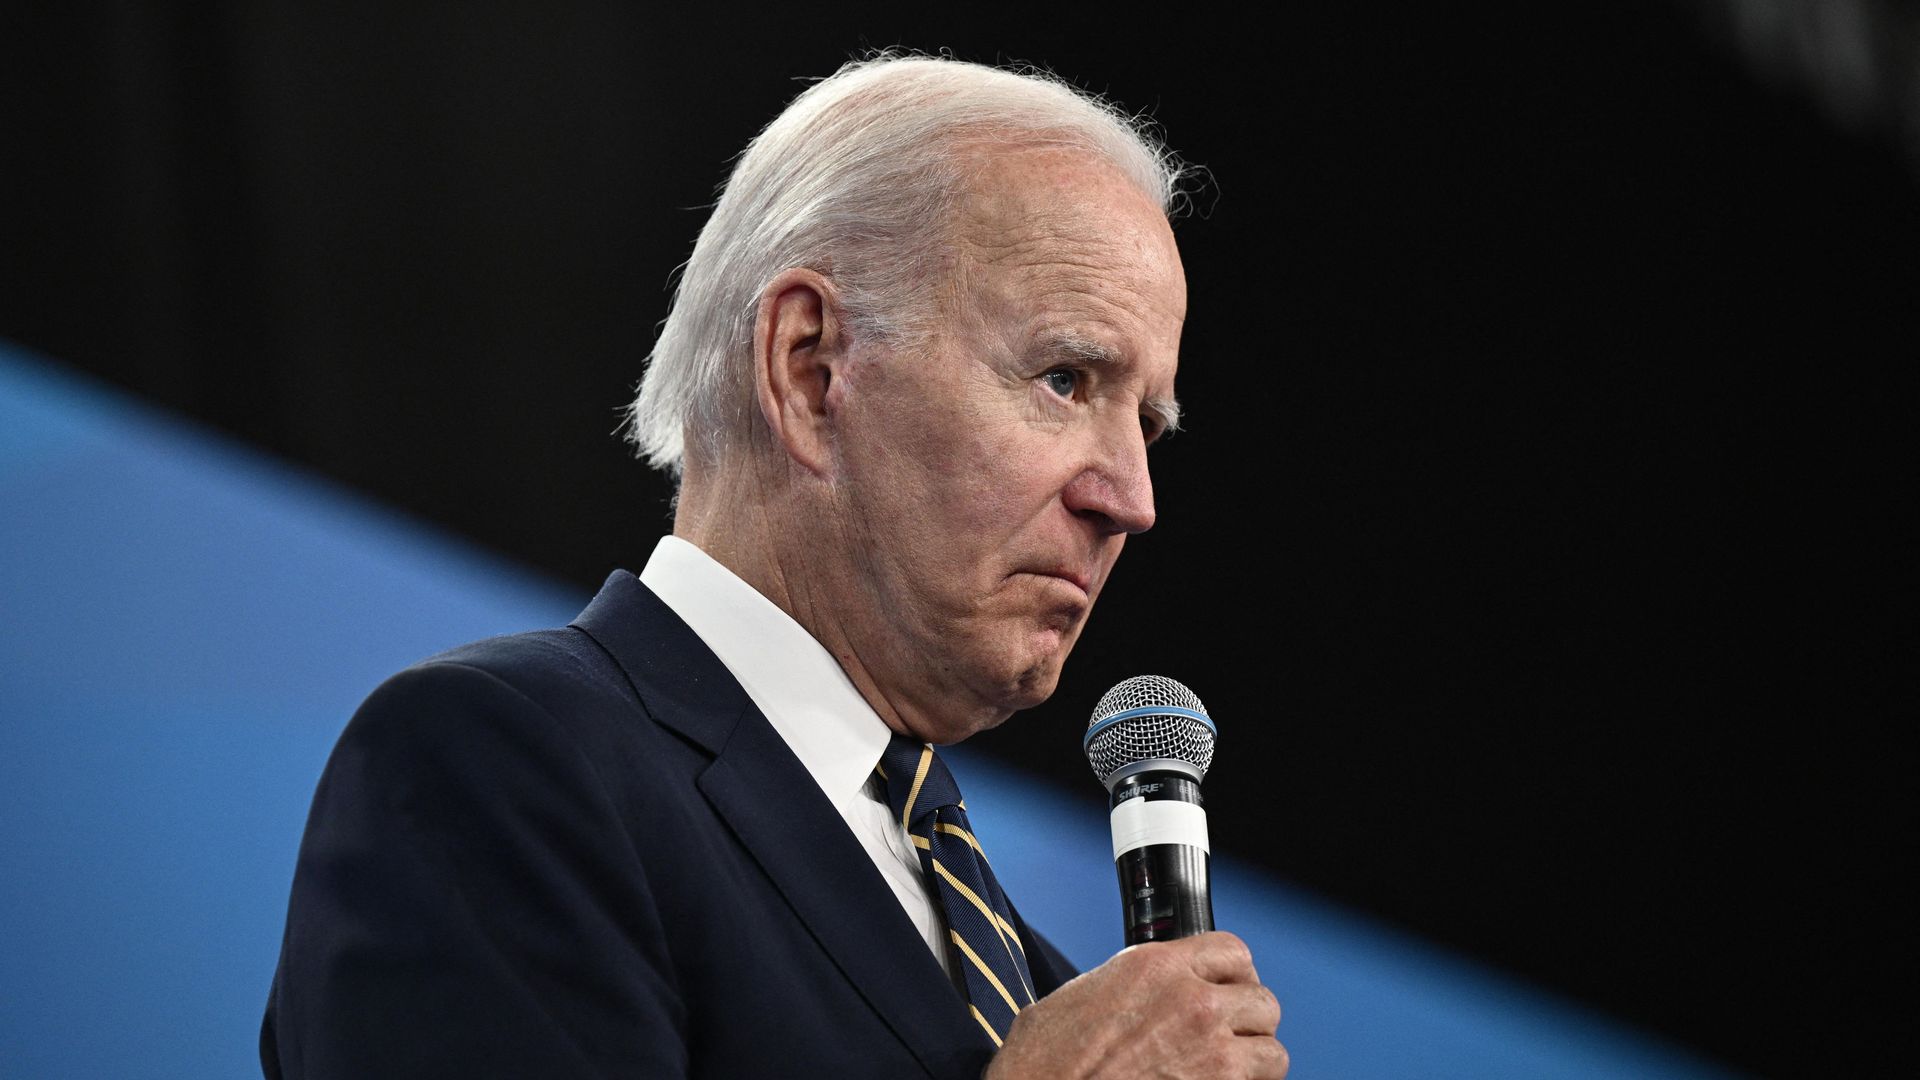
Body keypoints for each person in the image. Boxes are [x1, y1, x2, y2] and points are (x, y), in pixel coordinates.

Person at [261, 53, 1288, 1079]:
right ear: (809, 367)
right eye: (1065, 379)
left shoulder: (1038, 984)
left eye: (1147, 425)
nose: (1131, 499)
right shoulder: (494, 768)